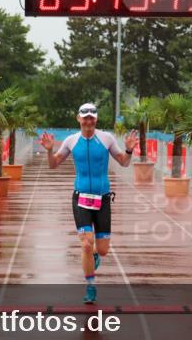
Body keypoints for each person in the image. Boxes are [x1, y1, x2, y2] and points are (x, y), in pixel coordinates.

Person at [39, 103, 138, 305]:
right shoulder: (71, 140)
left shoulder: (106, 138)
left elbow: (123, 162)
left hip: (102, 199)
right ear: (78, 119)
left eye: (92, 116)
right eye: (85, 117)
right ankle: (90, 285)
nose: (89, 120)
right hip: (81, 198)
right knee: (85, 244)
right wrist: (50, 151)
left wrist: (128, 150)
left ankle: (95, 254)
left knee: (102, 250)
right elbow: (53, 164)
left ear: (96, 119)